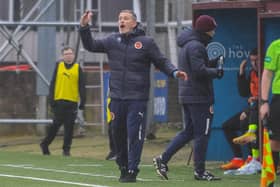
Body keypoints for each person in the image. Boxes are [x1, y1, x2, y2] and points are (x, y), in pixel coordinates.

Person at [79, 9, 187, 183]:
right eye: (120, 18)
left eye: (125, 18)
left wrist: (174, 72)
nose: (121, 21)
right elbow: (90, 45)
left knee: (134, 135)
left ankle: (132, 169)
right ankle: (122, 165)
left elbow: (161, 61)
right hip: (116, 98)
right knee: (117, 134)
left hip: (137, 98)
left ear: (134, 23)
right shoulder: (112, 40)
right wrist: (84, 27)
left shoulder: (146, 42)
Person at [153, 15, 223, 181]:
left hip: (188, 94)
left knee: (189, 131)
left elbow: (195, 68)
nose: (214, 32)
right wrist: (217, 71)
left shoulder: (189, 44)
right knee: (202, 134)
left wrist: (212, 63)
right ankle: (200, 171)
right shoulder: (196, 46)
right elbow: (199, 71)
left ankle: (163, 159)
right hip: (199, 96)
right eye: (212, 29)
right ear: (206, 30)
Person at [221, 48, 261, 174]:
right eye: (252, 61)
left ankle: (252, 159)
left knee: (246, 122)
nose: (254, 63)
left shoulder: (267, 73)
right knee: (227, 126)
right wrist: (241, 73)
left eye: (257, 60)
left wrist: (250, 106)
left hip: (264, 110)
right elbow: (244, 93)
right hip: (252, 109)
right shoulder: (252, 73)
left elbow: (267, 97)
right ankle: (238, 158)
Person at [40, 46, 86, 156]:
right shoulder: (58, 66)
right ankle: (45, 144)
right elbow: (53, 84)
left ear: (74, 55)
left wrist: (83, 101)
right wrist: (51, 100)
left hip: (72, 102)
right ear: (62, 56)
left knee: (69, 128)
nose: (68, 56)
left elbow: (82, 86)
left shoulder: (77, 68)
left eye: (70, 54)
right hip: (59, 101)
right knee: (55, 126)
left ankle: (66, 150)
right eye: (66, 54)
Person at [260, 38, 280, 187]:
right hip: (279, 97)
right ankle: (270, 182)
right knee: (275, 142)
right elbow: (267, 74)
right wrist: (264, 102)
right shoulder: (275, 46)